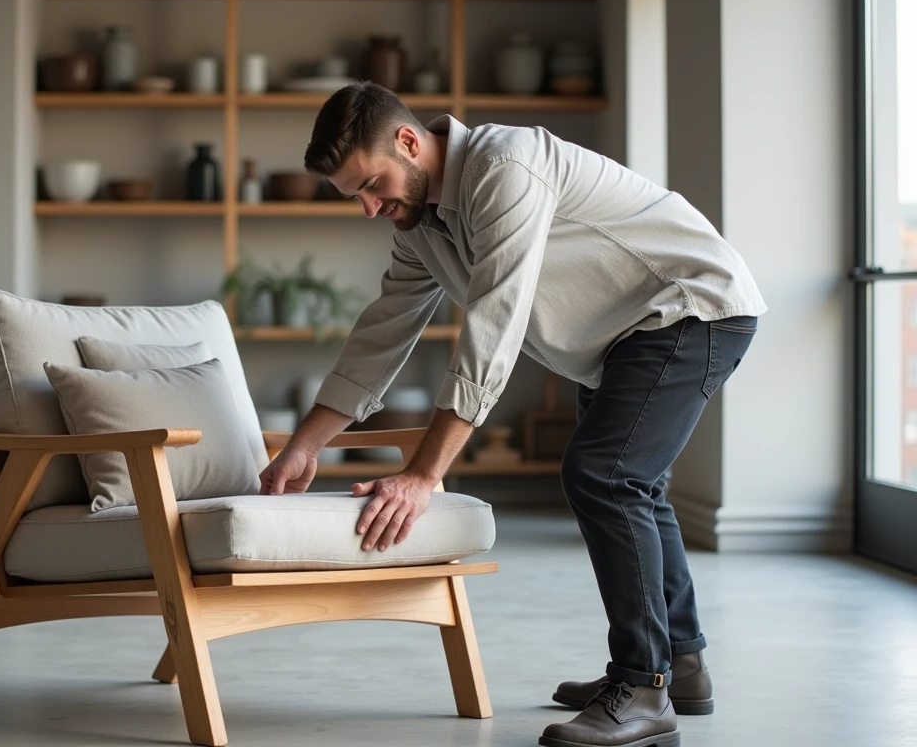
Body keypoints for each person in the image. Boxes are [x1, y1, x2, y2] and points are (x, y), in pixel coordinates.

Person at [257, 82, 766, 747]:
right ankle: (681, 665)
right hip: (623, 334)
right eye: (354, 194)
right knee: (630, 482)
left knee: (607, 476)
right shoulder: (421, 222)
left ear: (410, 143)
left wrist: (421, 475)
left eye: (372, 184)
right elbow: (383, 331)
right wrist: (307, 444)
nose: (369, 207)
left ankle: (644, 688)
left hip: (689, 308)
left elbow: (494, 328)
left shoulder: (505, 168)